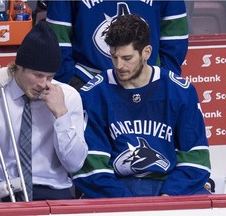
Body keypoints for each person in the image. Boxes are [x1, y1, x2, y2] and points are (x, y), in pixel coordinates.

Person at [72, 14, 211, 198]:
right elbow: (91, 166)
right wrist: (127, 203)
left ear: (146, 52)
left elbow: (196, 158)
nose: (119, 65)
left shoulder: (179, 92)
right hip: (116, 186)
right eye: (114, 57)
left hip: (169, 184)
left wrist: (170, 195)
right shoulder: (94, 93)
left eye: (127, 58)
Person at [0, 22, 88, 203]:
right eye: (37, 75)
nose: (43, 84)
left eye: (50, 76)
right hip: (0, 190)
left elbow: (74, 164)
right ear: (19, 66)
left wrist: (61, 114)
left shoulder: (68, 97)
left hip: (52, 191)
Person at [46, 0, 188, 90]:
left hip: (147, 84)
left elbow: (174, 36)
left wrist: (161, 80)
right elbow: (58, 37)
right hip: (87, 80)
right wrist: (70, 81)